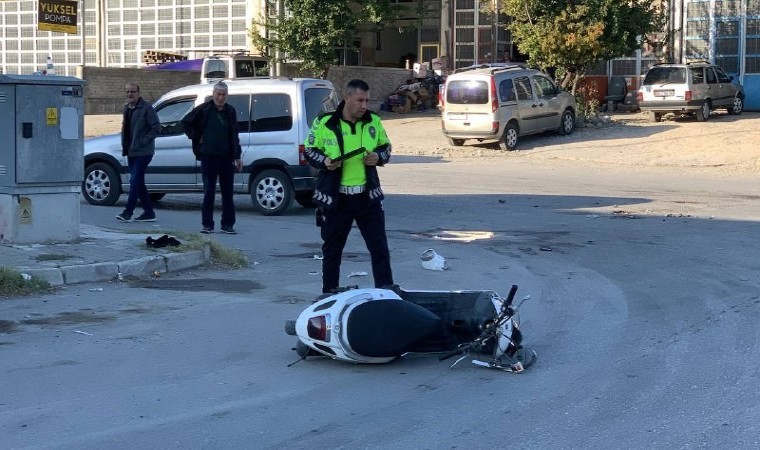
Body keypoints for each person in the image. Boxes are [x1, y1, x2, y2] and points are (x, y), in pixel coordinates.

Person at [304, 79, 395, 294]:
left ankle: (386, 292)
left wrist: (378, 157)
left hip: (367, 197)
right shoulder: (325, 122)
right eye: (360, 100)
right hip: (336, 198)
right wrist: (325, 162)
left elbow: (386, 147)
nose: (364, 105)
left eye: (367, 101)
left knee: (380, 248)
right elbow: (309, 150)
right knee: (332, 251)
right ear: (347, 98)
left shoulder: (373, 121)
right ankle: (329, 292)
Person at [181, 81, 243, 234]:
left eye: (223, 95)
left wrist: (238, 156)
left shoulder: (230, 111)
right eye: (218, 94)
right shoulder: (204, 109)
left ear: (227, 95)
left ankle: (227, 224)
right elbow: (185, 123)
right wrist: (197, 136)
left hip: (227, 157)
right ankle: (207, 224)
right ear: (213, 94)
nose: (220, 98)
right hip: (208, 156)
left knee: (227, 193)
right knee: (209, 191)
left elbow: (234, 134)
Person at [116, 82, 161, 222]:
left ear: (138, 93)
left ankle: (128, 212)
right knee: (138, 182)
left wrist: (142, 141)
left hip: (144, 151)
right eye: (127, 92)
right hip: (131, 151)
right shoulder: (126, 108)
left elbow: (156, 128)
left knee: (134, 180)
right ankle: (149, 212)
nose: (130, 94)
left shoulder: (146, 108)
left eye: (133, 91)